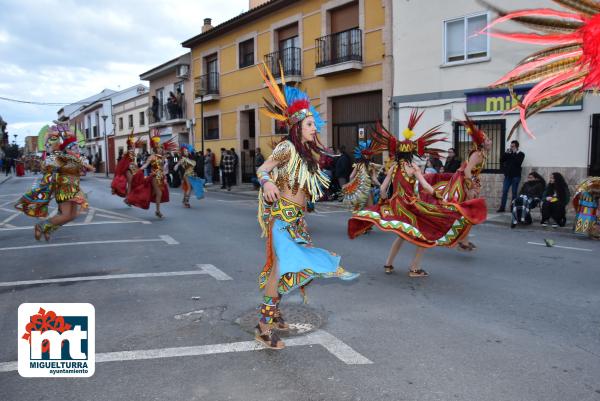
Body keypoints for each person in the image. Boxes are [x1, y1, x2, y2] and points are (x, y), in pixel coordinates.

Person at [254, 64, 358, 349]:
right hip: (283, 221)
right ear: (298, 126)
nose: (316, 128)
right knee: (281, 270)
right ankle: (263, 326)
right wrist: (268, 183)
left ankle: (272, 315)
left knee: (288, 269)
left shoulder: (306, 153)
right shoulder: (287, 147)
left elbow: (303, 186)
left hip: (296, 220)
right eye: (311, 124)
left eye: (314, 123)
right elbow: (262, 169)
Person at [348, 112, 487, 276]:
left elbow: (384, 188)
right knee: (425, 233)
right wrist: (438, 196)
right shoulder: (413, 167)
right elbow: (426, 186)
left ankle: (388, 264)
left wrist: (384, 201)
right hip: (409, 206)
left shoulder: (393, 167)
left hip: (396, 205)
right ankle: (414, 268)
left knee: (402, 234)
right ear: (411, 153)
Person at [16, 126, 94, 241]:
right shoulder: (61, 158)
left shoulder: (76, 158)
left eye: (77, 147)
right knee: (66, 215)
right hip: (64, 189)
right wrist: (50, 142)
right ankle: (41, 226)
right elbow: (46, 166)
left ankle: (48, 228)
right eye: (74, 147)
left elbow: (87, 169)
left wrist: (84, 166)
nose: (77, 149)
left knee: (72, 216)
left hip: (74, 188)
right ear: (67, 149)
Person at [127, 131, 175, 218]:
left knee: (151, 193)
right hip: (154, 176)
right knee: (159, 193)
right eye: (159, 148)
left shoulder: (162, 157)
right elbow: (145, 165)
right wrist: (138, 170)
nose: (160, 149)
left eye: (161, 148)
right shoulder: (152, 156)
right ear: (155, 149)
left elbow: (163, 168)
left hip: (161, 176)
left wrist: (165, 178)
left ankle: (137, 199)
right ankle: (157, 211)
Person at [341, 140, 383, 211]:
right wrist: (380, 185)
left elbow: (351, 176)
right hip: (367, 190)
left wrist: (352, 185)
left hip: (358, 191)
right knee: (370, 209)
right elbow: (374, 179)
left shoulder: (358, 165)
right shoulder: (371, 166)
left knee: (358, 210)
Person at [111, 132, 141, 204]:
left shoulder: (131, 151)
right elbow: (125, 159)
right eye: (132, 144)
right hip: (128, 168)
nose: (134, 144)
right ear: (130, 146)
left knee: (136, 181)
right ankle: (127, 198)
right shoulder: (128, 152)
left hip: (133, 167)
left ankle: (129, 198)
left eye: (133, 144)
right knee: (130, 183)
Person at [497, 140, 525, 212]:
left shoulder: (521, 154)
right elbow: (501, 160)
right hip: (508, 176)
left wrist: (515, 153)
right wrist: (506, 153)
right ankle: (502, 207)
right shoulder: (509, 154)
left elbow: (518, 163)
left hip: (516, 176)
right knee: (505, 191)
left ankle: (513, 208)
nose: (511, 147)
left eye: (513, 146)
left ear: (517, 147)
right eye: (511, 146)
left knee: (514, 192)